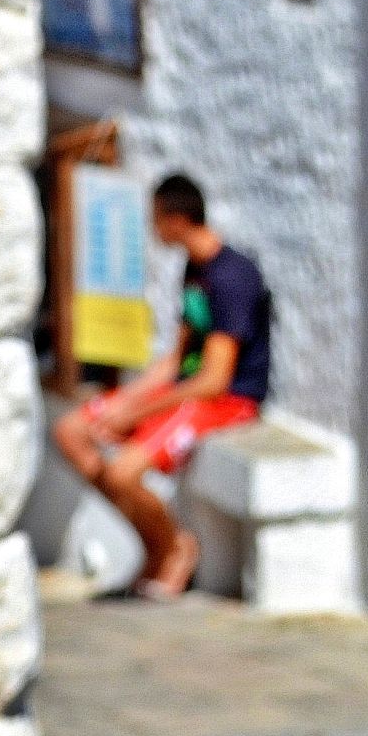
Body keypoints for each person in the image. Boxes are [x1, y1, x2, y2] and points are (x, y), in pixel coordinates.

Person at [51, 173, 272, 598]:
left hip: (227, 401)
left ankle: (174, 549)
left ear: (176, 219)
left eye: (155, 220)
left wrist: (134, 414)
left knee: (120, 473)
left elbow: (214, 380)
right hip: (189, 390)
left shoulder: (232, 278)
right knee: (72, 432)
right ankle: (157, 542)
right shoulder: (196, 270)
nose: (152, 231)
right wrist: (125, 401)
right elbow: (176, 360)